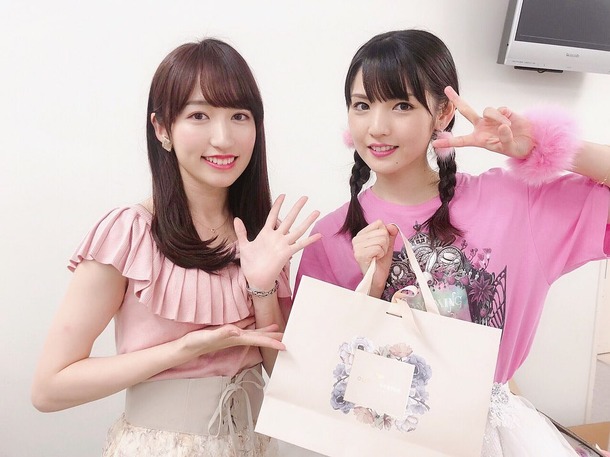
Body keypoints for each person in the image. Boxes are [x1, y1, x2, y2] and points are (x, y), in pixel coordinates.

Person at [296, 29, 610, 456]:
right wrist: (368, 291)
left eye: (401, 105)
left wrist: (538, 146)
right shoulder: (331, 237)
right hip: (379, 443)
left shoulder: (513, 203)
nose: (377, 127)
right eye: (362, 105)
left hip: (490, 440)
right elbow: (314, 377)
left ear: (443, 113)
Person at [31, 38, 321, 457]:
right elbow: (48, 388)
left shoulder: (264, 240)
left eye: (239, 116)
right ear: (162, 128)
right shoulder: (130, 233)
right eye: (199, 115)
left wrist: (262, 288)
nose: (223, 138)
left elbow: (287, 381)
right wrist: (182, 350)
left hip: (252, 446)